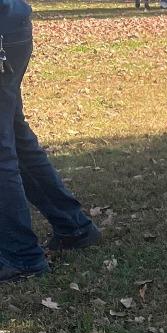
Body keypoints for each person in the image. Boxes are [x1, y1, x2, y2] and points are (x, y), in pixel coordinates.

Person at [0, 0, 101, 284]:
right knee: (16, 142)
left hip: (4, 31)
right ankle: (74, 227)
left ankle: (20, 257)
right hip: (13, 27)